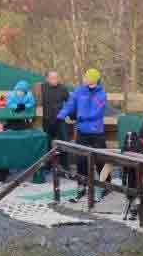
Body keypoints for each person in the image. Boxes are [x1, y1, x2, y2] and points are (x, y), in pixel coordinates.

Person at [56, 68, 108, 202]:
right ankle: (82, 185)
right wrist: (61, 115)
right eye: (85, 77)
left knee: (100, 159)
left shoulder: (101, 94)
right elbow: (70, 104)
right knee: (80, 160)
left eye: (87, 77)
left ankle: (106, 184)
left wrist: (79, 117)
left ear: (94, 79)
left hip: (96, 132)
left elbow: (97, 113)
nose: (85, 79)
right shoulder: (79, 90)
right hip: (82, 131)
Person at [40, 70, 70, 171]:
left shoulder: (63, 88)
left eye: (56, 77)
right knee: (46, 143)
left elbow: (70, 102)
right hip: (47, 120)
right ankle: (47, 165)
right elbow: (34, 101)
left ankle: (65, 166)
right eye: (52, 78)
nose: (55, 80)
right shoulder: (42, 88)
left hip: (60, 120)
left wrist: (66, 114)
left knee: (64, 142)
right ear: (47, 79)